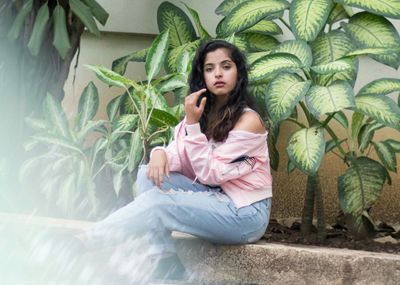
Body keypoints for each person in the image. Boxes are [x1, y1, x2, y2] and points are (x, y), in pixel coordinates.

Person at [82, 39, 273, 283]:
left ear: (238, 73)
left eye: (226, 66)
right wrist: (159, 152)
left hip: (245, 214)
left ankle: (89, 240)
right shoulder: (201, 113)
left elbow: (210, 174)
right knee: (147, 175)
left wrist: (192, 125)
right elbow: (179, 154)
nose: (218, 74)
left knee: (158, 204)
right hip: (214, 197)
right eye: (209, 68)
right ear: (201, 76)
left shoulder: (249, 121)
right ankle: (164, 259)